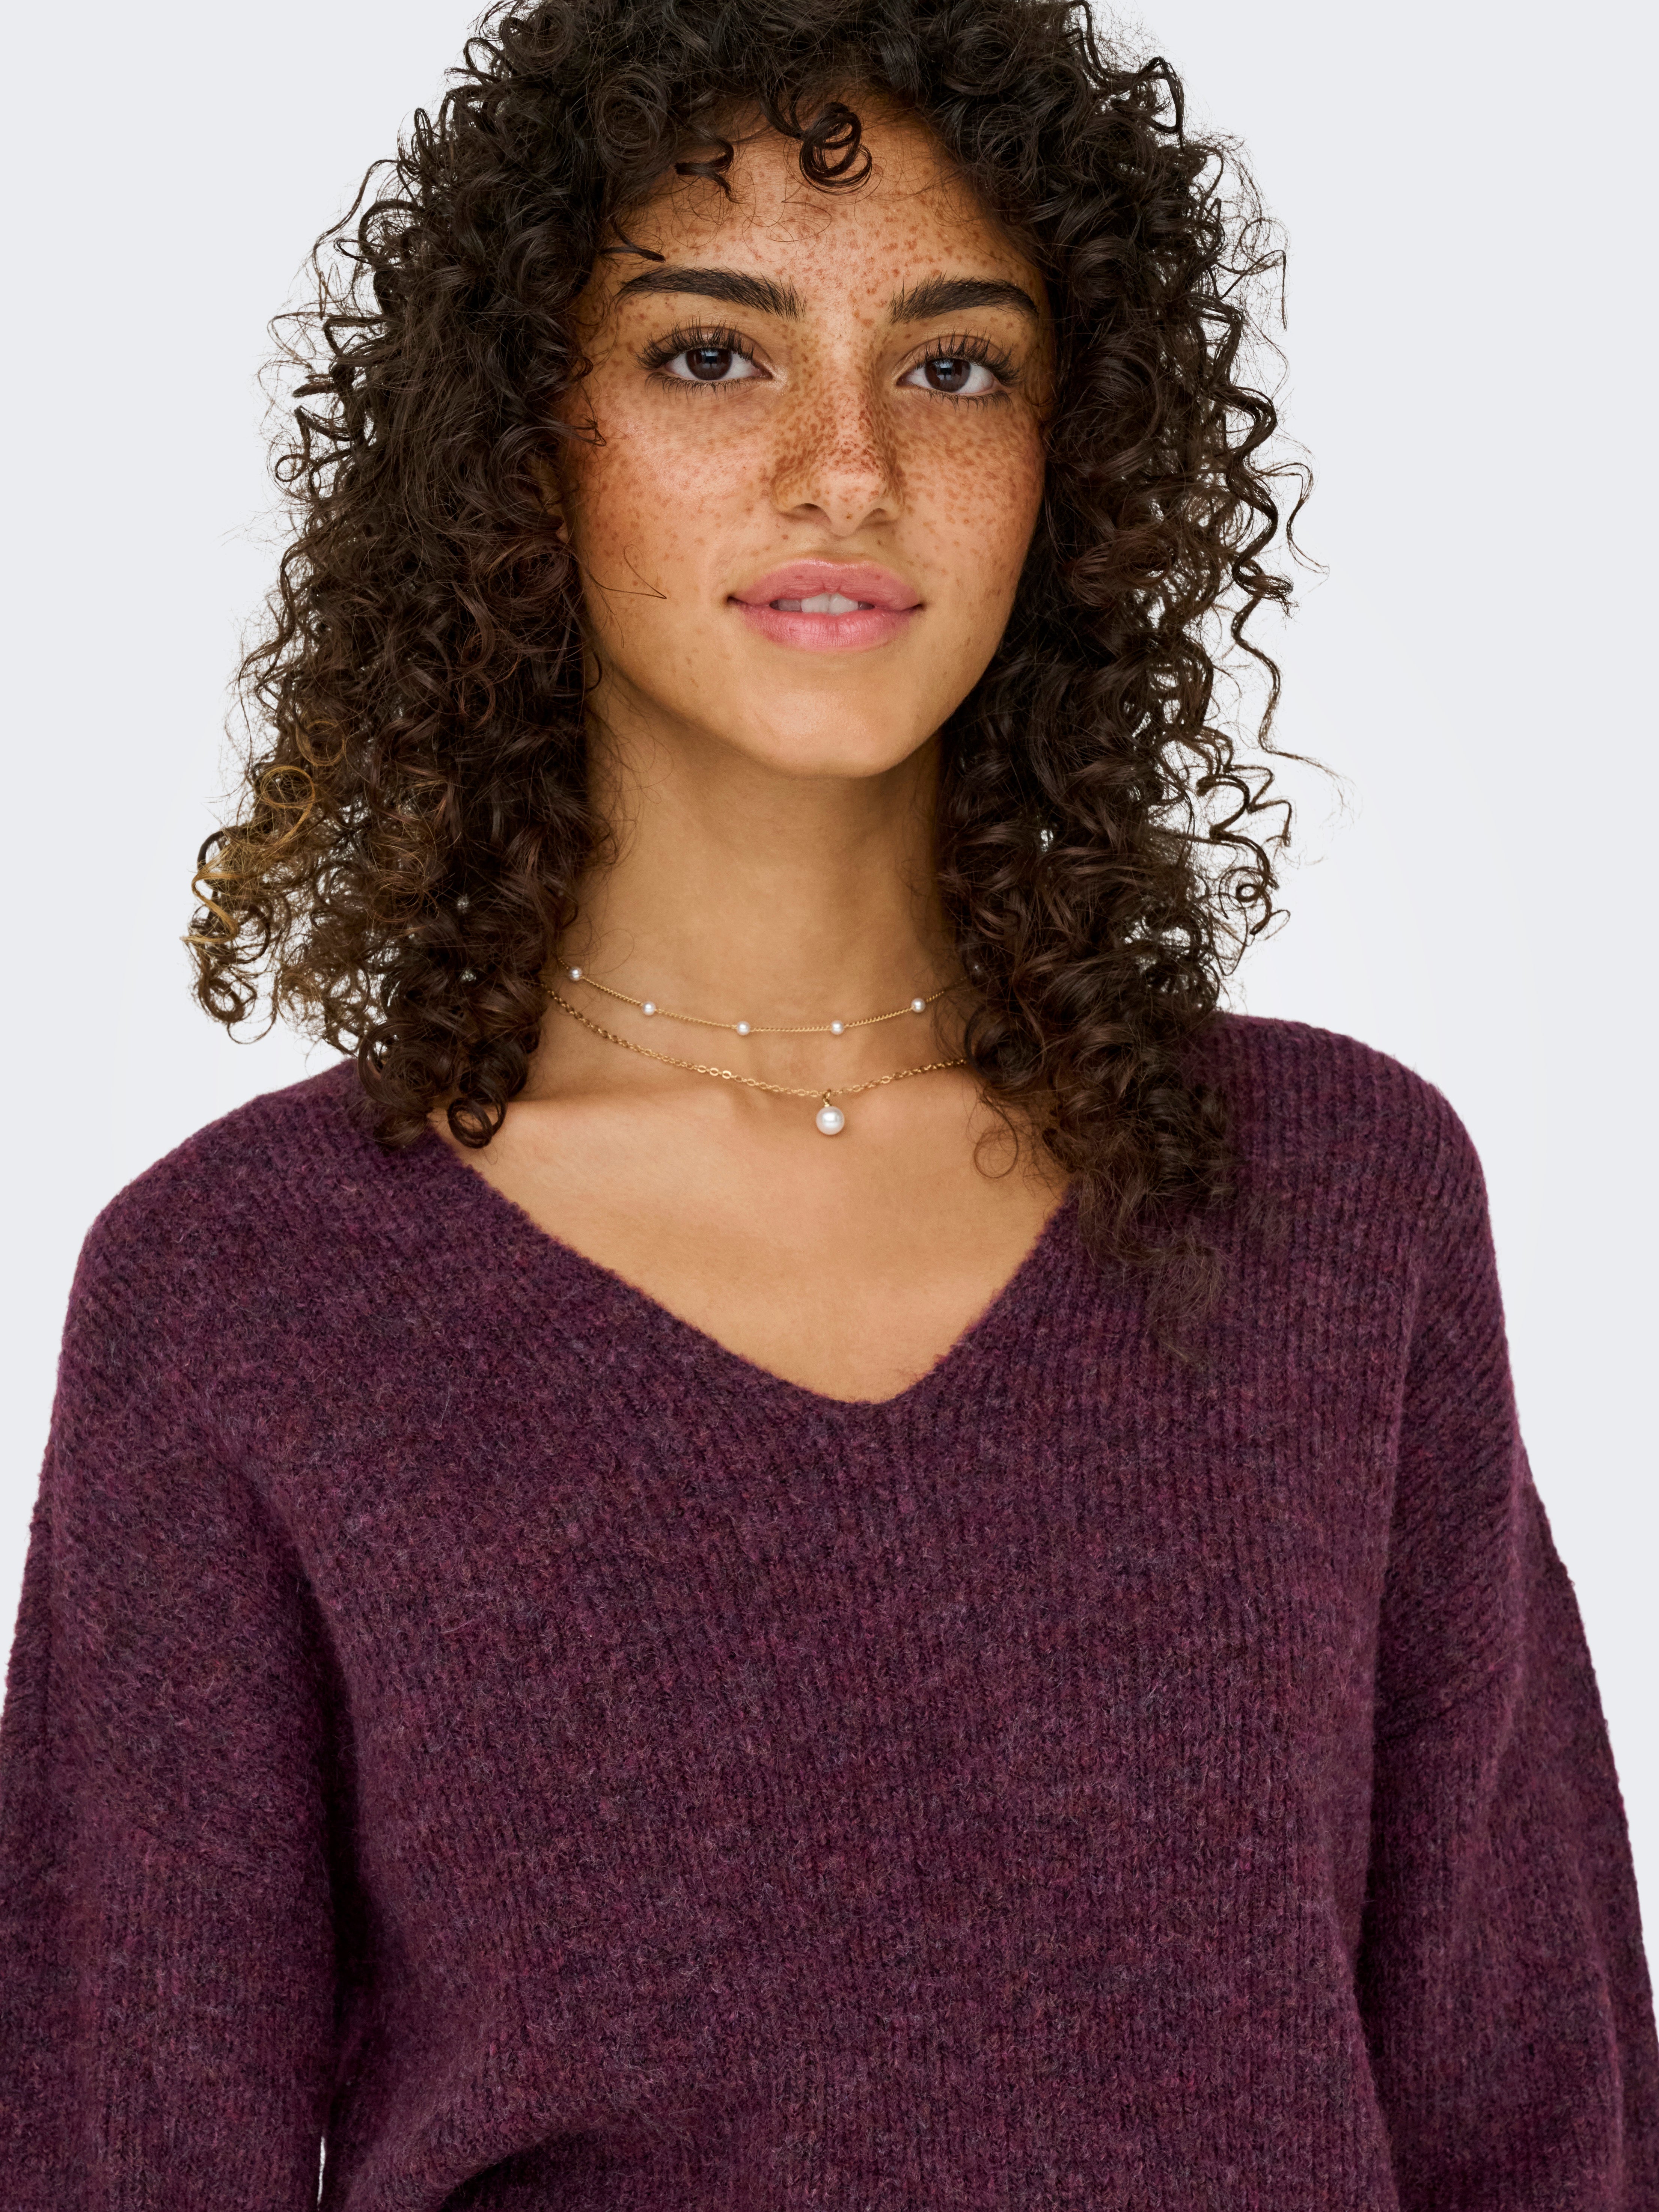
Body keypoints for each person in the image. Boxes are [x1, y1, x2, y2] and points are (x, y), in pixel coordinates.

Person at [2, 0, 1655, 2202]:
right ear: (521, 440)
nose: (848, 466)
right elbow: (119, 2146)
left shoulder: (1338, 1203)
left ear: (1076, 456)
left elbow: (1539, 2119)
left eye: (956, 366)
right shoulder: (251, 1292)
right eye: (712, 355)